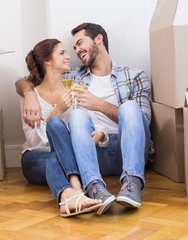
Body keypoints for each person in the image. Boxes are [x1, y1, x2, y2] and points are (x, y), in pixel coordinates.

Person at [16, 23, 152, 209]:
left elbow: (142, 121)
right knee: (77, 116)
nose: (76, 51)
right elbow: (29, 78)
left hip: (127, 148)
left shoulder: (135, 76)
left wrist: (99, 105)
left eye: (80, 43)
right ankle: (93, 185)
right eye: (71, 48)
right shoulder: (74, 76)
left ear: (98, 39)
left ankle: (132, 182)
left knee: (129, 107)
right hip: (93, 150)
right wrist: (28, 94)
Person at [19, 38, 115, 217]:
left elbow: (93, 121)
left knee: (57, 157)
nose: (69, 57)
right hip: (35, 158)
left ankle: (68, 195)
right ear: (47, 61)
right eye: (62, 53)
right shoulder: (31, 97)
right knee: (55, 127)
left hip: (65, 158)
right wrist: (58, 110)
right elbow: (35, 140)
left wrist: (100, 133)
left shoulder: (74, 90)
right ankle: (77, 184)